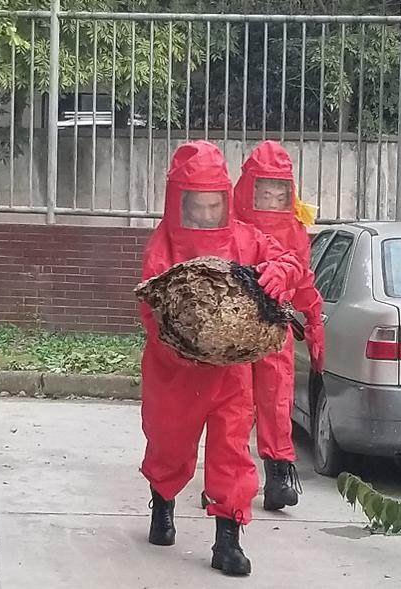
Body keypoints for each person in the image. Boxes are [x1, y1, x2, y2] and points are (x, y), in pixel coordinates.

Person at [139, 140, 305, 576]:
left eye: (215, 204)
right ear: (181, 202)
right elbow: (150, 309)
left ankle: (227, 540)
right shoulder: (164, 247)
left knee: (232, 453)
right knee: (168, 447)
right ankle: (163, 505)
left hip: (231, 374)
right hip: (174, 373)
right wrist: (182, 351)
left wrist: (281, 271)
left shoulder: (244, 237)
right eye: (199, 205)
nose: (208, 214)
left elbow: (290, 260)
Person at [233, 140, 325, 511]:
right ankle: (227, 478)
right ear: (249, 190)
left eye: (278, 193)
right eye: (264, 192)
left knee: (276, 398)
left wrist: (315, 323)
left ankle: (278, 475)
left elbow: (303, 280)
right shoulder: (231, 225)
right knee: (234, 404)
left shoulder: (295, 231)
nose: (271, 201)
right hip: (234, 326)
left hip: (275, 325)